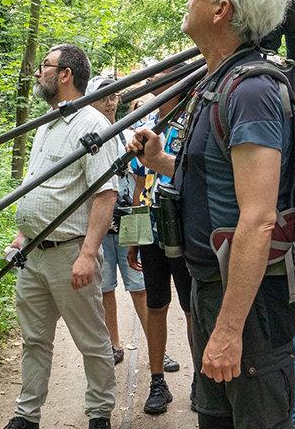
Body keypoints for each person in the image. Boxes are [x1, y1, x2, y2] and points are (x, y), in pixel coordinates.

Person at [127, 0, 295, 429]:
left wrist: (228, 328)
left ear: (223, 9)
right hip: (212, 289)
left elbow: (259, 216)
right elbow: (215, 180)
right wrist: (161, 160)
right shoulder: (216, 85)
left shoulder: (252, 91)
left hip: (248, 302)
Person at [6, 44, 117, 429]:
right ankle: (26, 415)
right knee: (34, 340)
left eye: (45, 66)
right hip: (32, 255)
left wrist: (88, 254)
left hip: (69, 253)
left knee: (91, 340)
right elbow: (38, 187)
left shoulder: (93, 126)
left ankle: (99, 414)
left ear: (66, 74)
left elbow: (106, 193)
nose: (38, 73)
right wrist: (23, 234)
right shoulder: (47, 123)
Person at [126, 68, 191, 416]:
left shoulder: (193, 119)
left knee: (192, 306)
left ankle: (202, 382)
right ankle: (157, 383)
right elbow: (138, 188)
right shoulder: (146, 121)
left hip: (184, 227)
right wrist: (134, 238)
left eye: (165, 79)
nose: (157, 85)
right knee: (156, 304)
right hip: (151, 229)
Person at [87, 77, 150, 367]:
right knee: (106, 287)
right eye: (104, 98)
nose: (110, 103)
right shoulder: (87, 135)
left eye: (114, 97)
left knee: (139, 284)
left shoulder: (129, 131)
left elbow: (142, 178)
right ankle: (114, 344)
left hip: (129, 218)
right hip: (100, 224)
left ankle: (156, 345)